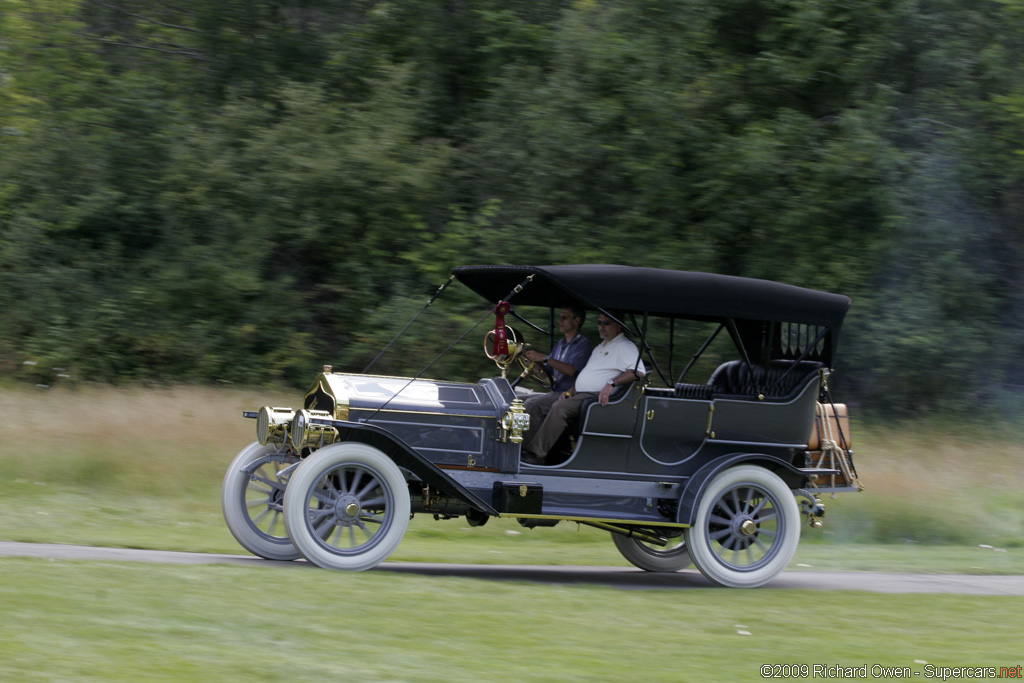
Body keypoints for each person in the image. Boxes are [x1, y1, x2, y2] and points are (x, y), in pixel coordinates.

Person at [521, 312, 645, 465]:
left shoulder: (625, 346)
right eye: (599, 323)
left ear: (619, 326)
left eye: (606, 323)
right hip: (577, 393)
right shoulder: (600, 347)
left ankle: (536, 454)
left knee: (560, 407)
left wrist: (611, 383)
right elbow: (586, 374)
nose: (601, 327)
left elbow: (637, 372)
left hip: (594, 397)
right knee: (534, 404)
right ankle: (524, 451)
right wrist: (570, 391)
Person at [521, 306, 592, 395]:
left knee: (530, 404)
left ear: (577, 321)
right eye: (560, 317)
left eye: (564, 317)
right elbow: (547, 372)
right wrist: (529, 361)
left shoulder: (583, 344)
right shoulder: (560, 343)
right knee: (519, 400)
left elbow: (571, 370)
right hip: (555, 392)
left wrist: (544, 357)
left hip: (569, 394)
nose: (560, 320)